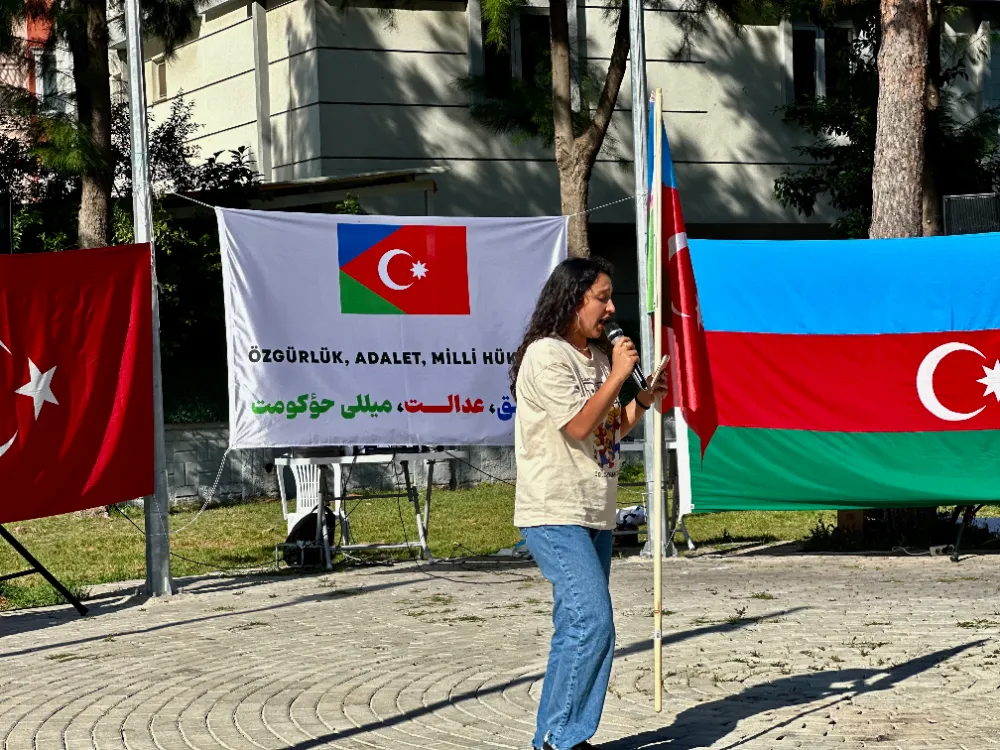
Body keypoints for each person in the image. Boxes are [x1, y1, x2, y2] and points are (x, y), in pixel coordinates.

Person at [510, 257, 669, 750]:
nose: (611, 308)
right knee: (593, 620)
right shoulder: (546, 355)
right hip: (554, 511)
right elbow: (576, 425)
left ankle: (555, 737)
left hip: (594, 510)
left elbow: (605, 430)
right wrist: (620, 373)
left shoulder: (598, 359)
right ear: (573, 299)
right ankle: (562, 738)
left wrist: (641, 400)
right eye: (602, 297)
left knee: (576, 625)